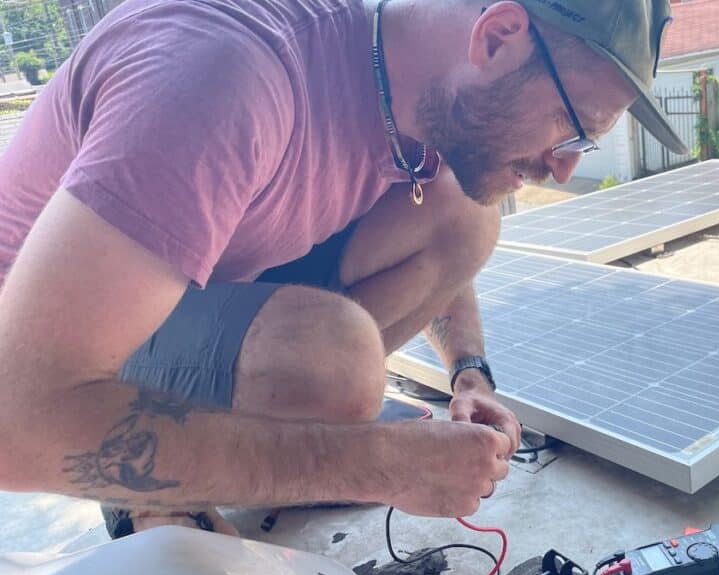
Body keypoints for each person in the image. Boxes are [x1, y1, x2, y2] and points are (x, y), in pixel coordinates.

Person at [0, 0, 684, 538]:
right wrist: (372, 464)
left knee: (469, 216)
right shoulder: (225, 75)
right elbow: (14, 424)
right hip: (47, 339)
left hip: (191, 284)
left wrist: (469, 375)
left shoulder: (407, 80)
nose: (565, 166)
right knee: (333, 360)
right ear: (498, 35)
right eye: (571, 130)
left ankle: (280, 423)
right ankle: (149, 490)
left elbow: (450, 245)